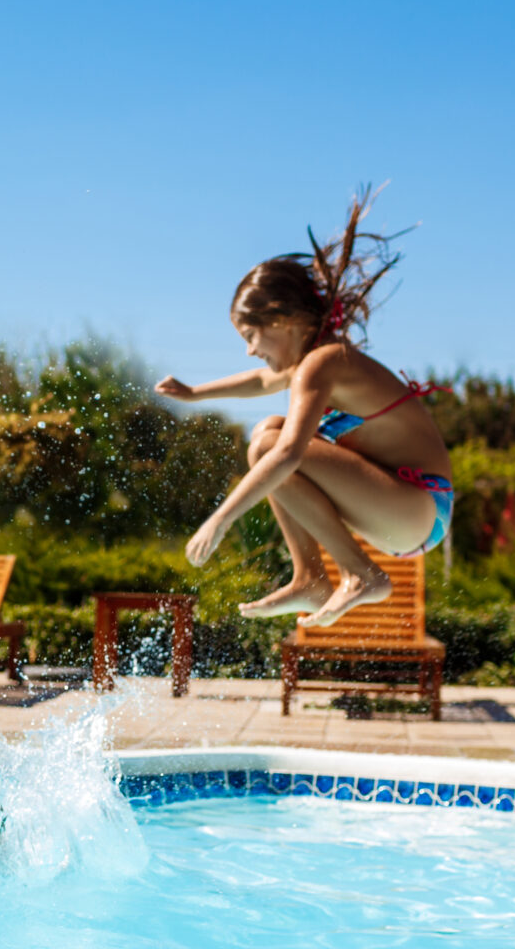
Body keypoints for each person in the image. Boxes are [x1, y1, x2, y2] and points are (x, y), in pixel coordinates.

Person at [156, 194, 452, 627]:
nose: (249, 350)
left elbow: (289, 454)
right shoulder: (315, 361)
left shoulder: (324, 362)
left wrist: (220, 519)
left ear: (283, 322)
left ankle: (360, 573)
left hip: (419, 504)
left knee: (272, 445)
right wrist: (195, 392)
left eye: (251, 335)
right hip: (405, 513)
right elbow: (260, 382)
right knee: (268, 431)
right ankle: (311, 578)